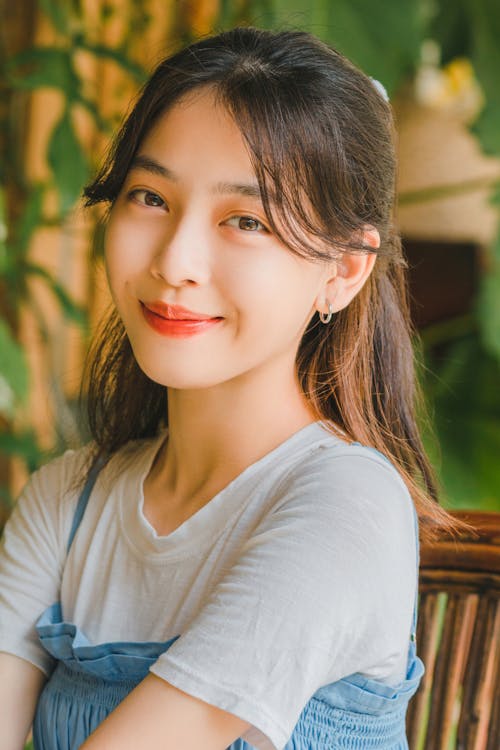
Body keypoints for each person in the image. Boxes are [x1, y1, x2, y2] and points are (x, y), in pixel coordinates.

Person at [0, 25, 463, 750]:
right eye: (150, 197)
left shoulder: (348, 506)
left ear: (342, 272)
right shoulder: (67, 502)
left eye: (244, 220)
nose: (177, 260)